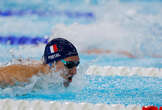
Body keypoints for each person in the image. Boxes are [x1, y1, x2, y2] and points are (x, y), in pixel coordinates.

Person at [0, 38, 80, 87]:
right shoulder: (26, 74)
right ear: (53, 64)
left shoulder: (49, 79)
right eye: (70, 64)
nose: (75, 71)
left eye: (76, 64)